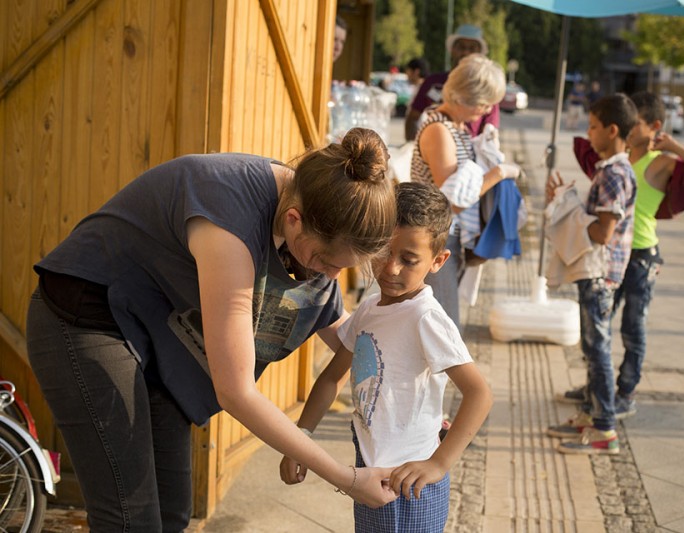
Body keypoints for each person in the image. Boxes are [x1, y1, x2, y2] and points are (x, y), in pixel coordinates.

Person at [25, 128, 400, 531]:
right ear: (294, 220)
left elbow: (341, 331)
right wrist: (346, 478)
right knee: (130, 518)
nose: (327, 275)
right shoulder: (228, 220)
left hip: (151, 331)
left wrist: (407, 360)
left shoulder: (311, 204)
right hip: (85, 316)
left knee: (172, 513)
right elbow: (236, 391)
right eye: (327, 260)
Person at [279, 181, 493, 532]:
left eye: (409, 260)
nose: (391, 268)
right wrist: (301, 437)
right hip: (369, 468)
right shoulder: (368, 309)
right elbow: (332, 377)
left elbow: (479, 394)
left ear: (438, 260)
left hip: (411, 483)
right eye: (383, 252)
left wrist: (438, 464)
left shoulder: (426, 318)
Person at [557, 92, 684, 418]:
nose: (631, 129)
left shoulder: (660, 162)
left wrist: (673, 146)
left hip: (642, 254)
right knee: (598, 326)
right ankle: (594, 390)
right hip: (615, 252)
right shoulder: (621, 161)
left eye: (639, 123)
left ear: (654, 126)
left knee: (633, 327)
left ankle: (625, 393)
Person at [545, 93, 638, 455]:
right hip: (599, 275)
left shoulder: (614, 174)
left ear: (612, 130)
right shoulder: (610, 170)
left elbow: (602, 233)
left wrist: (568, 207)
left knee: (597, 349)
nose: (589, 132)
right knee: (590, 346)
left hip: (601, 276)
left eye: (594, 127)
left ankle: (604, 429)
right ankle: (593, 412)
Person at [410, 54, 520, 328]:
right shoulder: (439, 130)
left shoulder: (456, 127)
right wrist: (499, 172)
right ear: (462, 97)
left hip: (447, 239)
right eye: (484, 104)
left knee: (439, 326)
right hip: (433, 238)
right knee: (444, 329)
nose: (486, 111)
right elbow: (450, 203)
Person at [404, 24, 499, 142]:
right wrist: (411, 148)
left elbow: (489, 134)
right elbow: (413, 117)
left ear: (480, 53)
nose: (465, 52)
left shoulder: (486, 89)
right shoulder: (433, 83)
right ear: (452, 49)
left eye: (472, 48)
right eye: (461, 47)